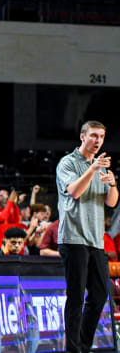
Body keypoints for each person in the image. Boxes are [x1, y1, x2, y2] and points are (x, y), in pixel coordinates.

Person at [56, 120, 118, 353]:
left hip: (95, 240)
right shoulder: (68, 163)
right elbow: (74, 191)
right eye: (93, 135)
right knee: (76, 298)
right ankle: (74, 349)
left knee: (101, 293)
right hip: (73, 239)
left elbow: (111, 202)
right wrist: (92, 170)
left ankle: (82, 345)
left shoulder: (101, 167)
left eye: (101, 136)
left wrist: (112, 184)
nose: (97, 140)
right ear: (83, 137)